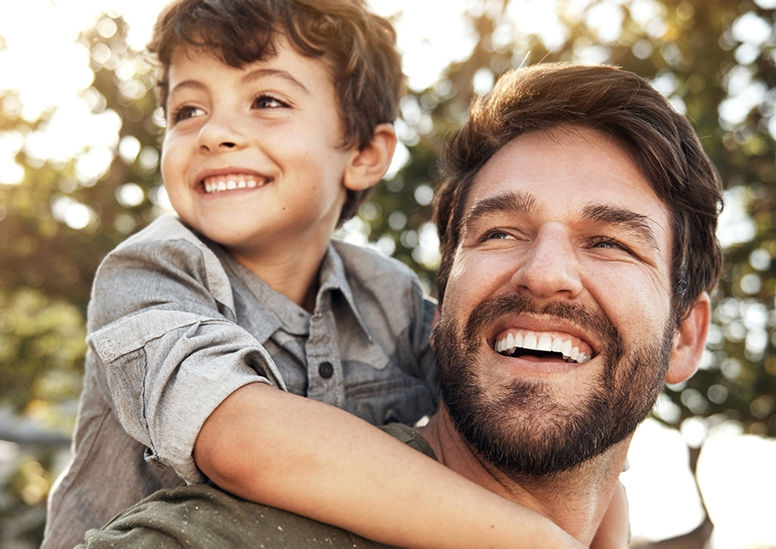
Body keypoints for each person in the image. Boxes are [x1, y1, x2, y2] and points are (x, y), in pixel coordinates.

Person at [44, 2, 617, 548]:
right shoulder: (150, 271)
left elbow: (520, 414)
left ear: (365, 152)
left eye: (266, 100)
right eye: (186, 111)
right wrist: (538, 539)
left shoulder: (388, 297)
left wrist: (598, 518)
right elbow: (242, 441)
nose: (213, 133)